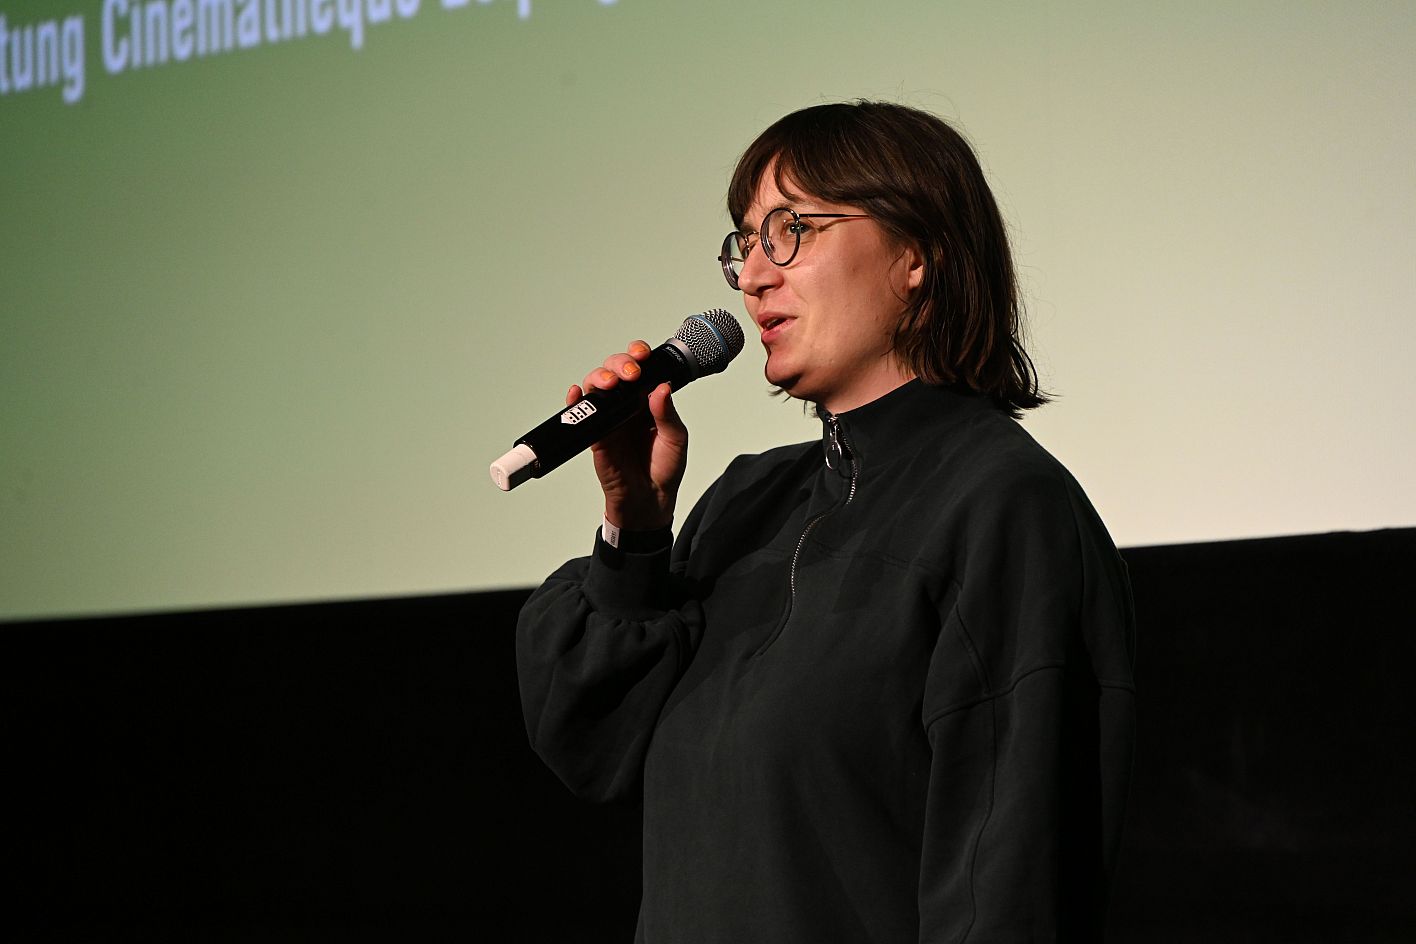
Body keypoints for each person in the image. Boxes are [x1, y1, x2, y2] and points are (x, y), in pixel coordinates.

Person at [516, 100, 1136, 943]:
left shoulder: (1001, 504)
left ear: (917, 255)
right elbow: (593, 747)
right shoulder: (748, 501)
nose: (752, 277)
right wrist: (636, 530)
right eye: (746, 242)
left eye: (792, 231)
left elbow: (1011, 879)